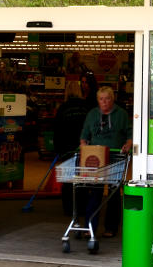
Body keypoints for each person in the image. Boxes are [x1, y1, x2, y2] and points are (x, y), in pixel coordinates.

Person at [79, 85, 132, 238]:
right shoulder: (92, 115)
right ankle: (90, 227)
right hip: (96, 158)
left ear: (112, 99)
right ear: (98, 100)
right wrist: (83, 145)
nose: (104, 102)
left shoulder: (121, 114)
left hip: (116, 157)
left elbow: (129, 132)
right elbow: (84, 134)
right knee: (94, 192)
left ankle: (111, 227)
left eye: (107, 99)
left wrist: (128, 144)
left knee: (113, 193)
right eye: (101, 99)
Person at [53, 80, 93, 217]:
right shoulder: (86, 107)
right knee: (83, 177)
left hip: (66, 148)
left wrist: (57, 149)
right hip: (83, 147)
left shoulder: (63, 108)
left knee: (68, 179)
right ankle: (82, 207)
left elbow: (57, 130)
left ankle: (69, 208)